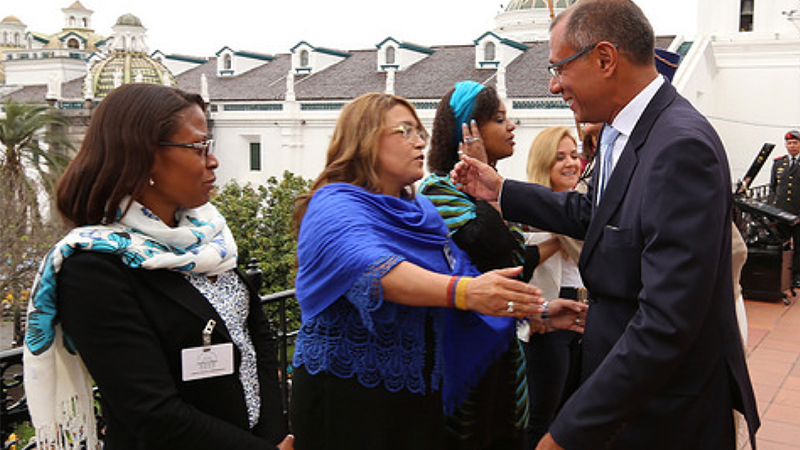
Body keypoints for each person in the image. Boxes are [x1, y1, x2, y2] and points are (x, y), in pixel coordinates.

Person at [451, 1, 760, 449]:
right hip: (632, 395)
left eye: (559, 68)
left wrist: (567, 433)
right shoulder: (627, 133)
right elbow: (597, 216)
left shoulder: (679, 147)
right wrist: (501, 190)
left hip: (664, 411)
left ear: (604, 59)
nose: (554, 85)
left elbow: (666, 321)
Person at [289, 92, 586, 450]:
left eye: (420, 131)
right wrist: (465, 292)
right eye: (405, 130)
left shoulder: (420, 214)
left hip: (417, 392)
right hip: (349, 396)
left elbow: (467, 280)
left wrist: (533, 311)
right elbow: (371, 268)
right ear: (364, 138)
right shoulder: (333, 205)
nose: (420, 141)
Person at [22, 83, 293, 450]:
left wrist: (273, 433)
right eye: (198, 147)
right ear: (143, 155)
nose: (213, 160)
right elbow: (149, 411)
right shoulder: (93, 266)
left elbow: (256, 339)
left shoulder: (205, 240)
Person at [419, 81, 562, 450]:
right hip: (466, 354)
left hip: (503, 347)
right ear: (469, 130)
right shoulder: (439, 191)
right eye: (499, 119)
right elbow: (502, 252)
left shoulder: (493, 193)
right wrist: (480, 170)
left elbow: (514, 257)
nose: (511, 126)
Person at [522, 126, 584, 449]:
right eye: (559, 157)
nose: (570, 163)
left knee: (571, 413)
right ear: (544, 163)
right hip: (547, 317)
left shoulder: (583, 206)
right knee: (542, 416)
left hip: (583, 312)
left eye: (574, 155)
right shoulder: (531, 210)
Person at [770, 129, 800, 287]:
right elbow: (773, 188)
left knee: (799, 246)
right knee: (781, 244)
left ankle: (796, 276)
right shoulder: (779, 163)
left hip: (798, 213)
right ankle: (782, 274)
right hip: (781, 213)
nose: (792, 146)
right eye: (789, 143)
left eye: (795, 142)